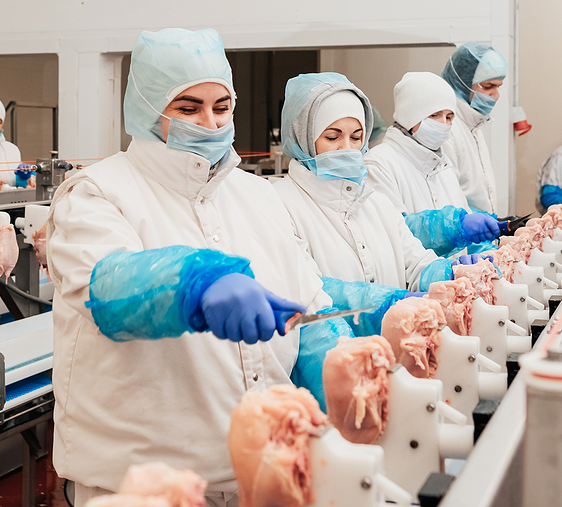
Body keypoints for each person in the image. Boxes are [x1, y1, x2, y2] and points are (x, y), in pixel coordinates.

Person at [46, 28, 359, 507]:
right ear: (149, 109)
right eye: (188, 108)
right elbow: (106, 288)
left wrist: (341, 396)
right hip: (142, 490)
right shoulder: (97, 193)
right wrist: (197, 282)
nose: (211, 123)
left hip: (262, 479)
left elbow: (309, 307)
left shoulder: (257, 196)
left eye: (222, 106)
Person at [273, 72, 459, 294]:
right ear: (302, 139)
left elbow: (417, 265)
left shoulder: (376, 203)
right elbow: (308, 291)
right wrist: (385, 304)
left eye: (356, 137)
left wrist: (458, 273)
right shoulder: (278, 204)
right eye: (333, 137)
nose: (347, 148)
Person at [364, 72, 500, 256]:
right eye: (434, 115)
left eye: (449, 117)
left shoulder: (442, 166)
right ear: (409, 116)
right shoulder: (379, 165)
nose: (443, 124)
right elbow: (394, 234)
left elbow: (466, 234)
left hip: (456, 282)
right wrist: (453, 227)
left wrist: (491, 253)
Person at [441, 42, 508, 214]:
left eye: (498, 86)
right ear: (462, 82)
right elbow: (449, 200)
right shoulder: (449, 129)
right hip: (467, 236)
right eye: (488, 87)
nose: (496, 95)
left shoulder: (474, 125)